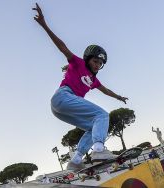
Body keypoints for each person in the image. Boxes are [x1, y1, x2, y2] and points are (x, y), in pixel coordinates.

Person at [33, 3, 128, 171]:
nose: (97, 65)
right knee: (102, 115)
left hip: (59, 109)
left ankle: (76, 160)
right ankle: (98, 150)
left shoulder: (94, 80)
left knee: (93, 127)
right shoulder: (78, 63)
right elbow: (62, 47)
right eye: (95, 61)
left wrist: (118, 97)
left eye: (100, 63)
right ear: (88, 59)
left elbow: (106, 90)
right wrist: (44, 25)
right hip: (63, 96)